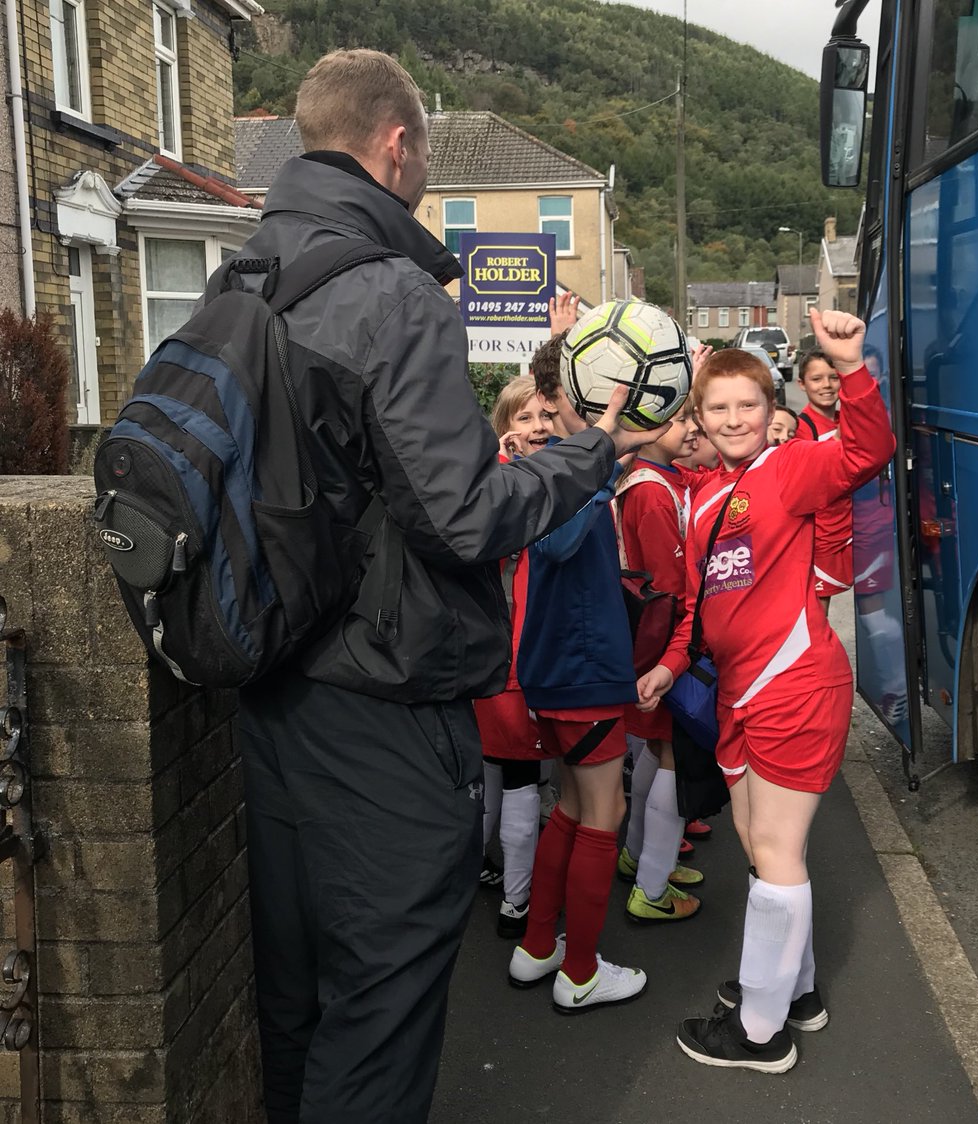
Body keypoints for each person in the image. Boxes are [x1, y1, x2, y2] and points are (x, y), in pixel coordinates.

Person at [233, 49, 665, 1123]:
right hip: (379, 700)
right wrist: (587, 453)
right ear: (399, 145)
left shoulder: (249, 272)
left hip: (268, 687)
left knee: (297, 998)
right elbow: (464, 516)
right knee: (379, 1009)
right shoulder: (390, 292)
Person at [637, 311, 895, 1073]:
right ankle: (797, 993)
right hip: (739, 695)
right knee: (760, 849)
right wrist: (670, 664)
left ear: (769, 405)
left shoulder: (787, 469)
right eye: (717, 408)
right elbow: (696, 605)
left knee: (778, 850)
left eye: (747, 404)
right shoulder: (704, 495)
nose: (733, 419)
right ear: (701, 419)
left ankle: (758, 1032)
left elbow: (867, 449)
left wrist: (851, 366)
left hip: (794, 685)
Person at [507, 354, 648, 1012]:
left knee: (568, 805)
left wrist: (614, 454)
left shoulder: (567, 458)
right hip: (579, 669)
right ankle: (583, 971)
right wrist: (603, 465)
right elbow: (559, 541)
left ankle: (539, 948)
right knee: (604, 813)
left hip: (559, 669)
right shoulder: (563, 465)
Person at [616, 409, 705, 923]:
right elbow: (669, 583)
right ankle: (650, 885)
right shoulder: (651, 489)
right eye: (680, 420)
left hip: (656, 638)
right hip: (665, 640)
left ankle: (641, 856)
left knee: (657, 746)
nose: (692, 429)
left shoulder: (656, 478)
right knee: (673, 753)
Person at [474, 377, 555, 936]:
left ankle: (490, 878)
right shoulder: (504, 485)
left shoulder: (510, 478)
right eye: (524, 418)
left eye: (546, 415)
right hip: (510, 653)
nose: (539, 427)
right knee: (515, 775)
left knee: (499, 775)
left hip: (511, 650)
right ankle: (517, 901)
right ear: (505, 428)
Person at [795, 350, 854, 613]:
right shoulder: (801, 426)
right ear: (801, 384)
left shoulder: (847, 418)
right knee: (818, 612)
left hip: (856, 528)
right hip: (822, 535)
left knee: (874, 607)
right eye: (817, 379)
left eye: (833, 377)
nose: (827, 386)